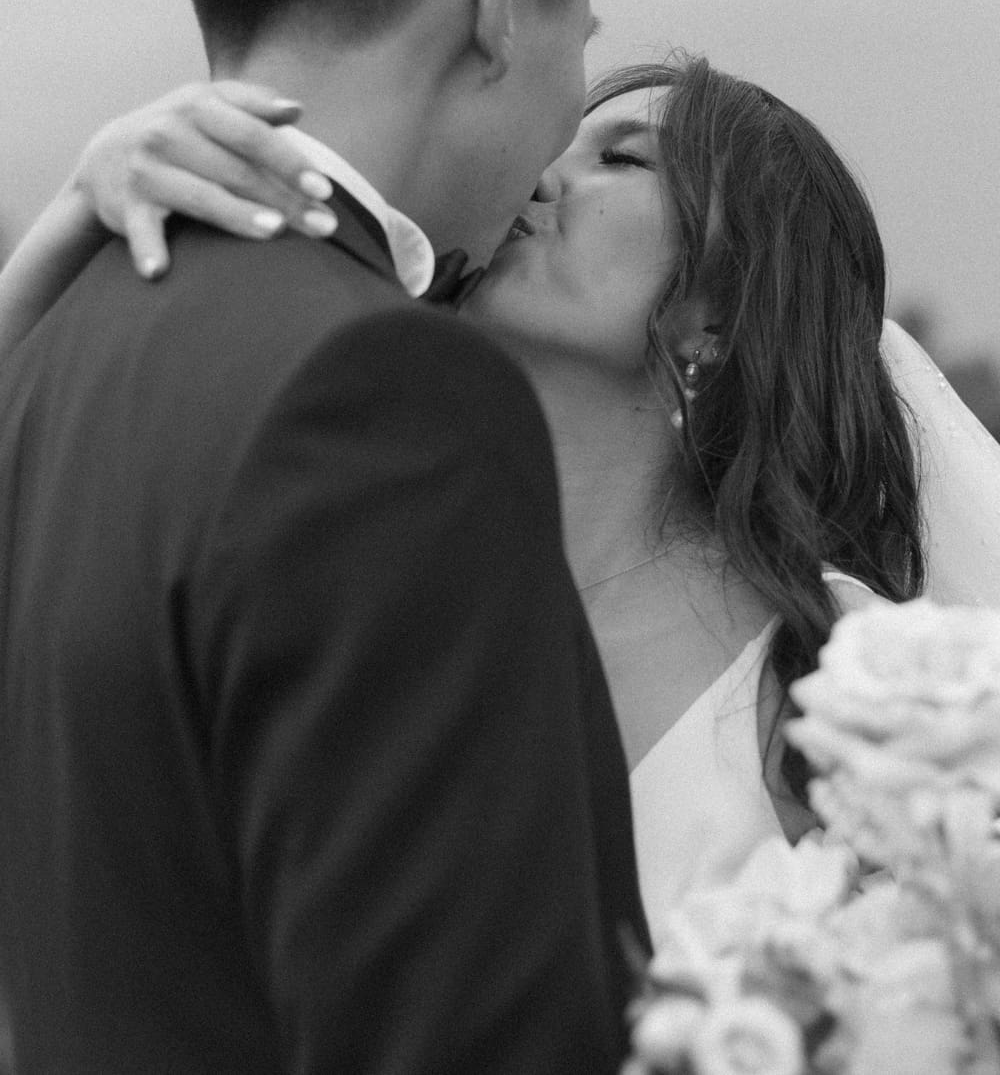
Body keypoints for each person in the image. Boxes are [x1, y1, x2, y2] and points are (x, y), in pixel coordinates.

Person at [0, 0, 650, 1074]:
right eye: (578, 42)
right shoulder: (384, 387)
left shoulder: (57, 350)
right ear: (502, 1)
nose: (562, 139)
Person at [10, 53, 1000, 948]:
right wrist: (66, 226)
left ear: (715, 312)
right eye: (555, 142)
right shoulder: (345, 582)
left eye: (624, 160)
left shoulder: (847, 677)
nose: (538, 173)